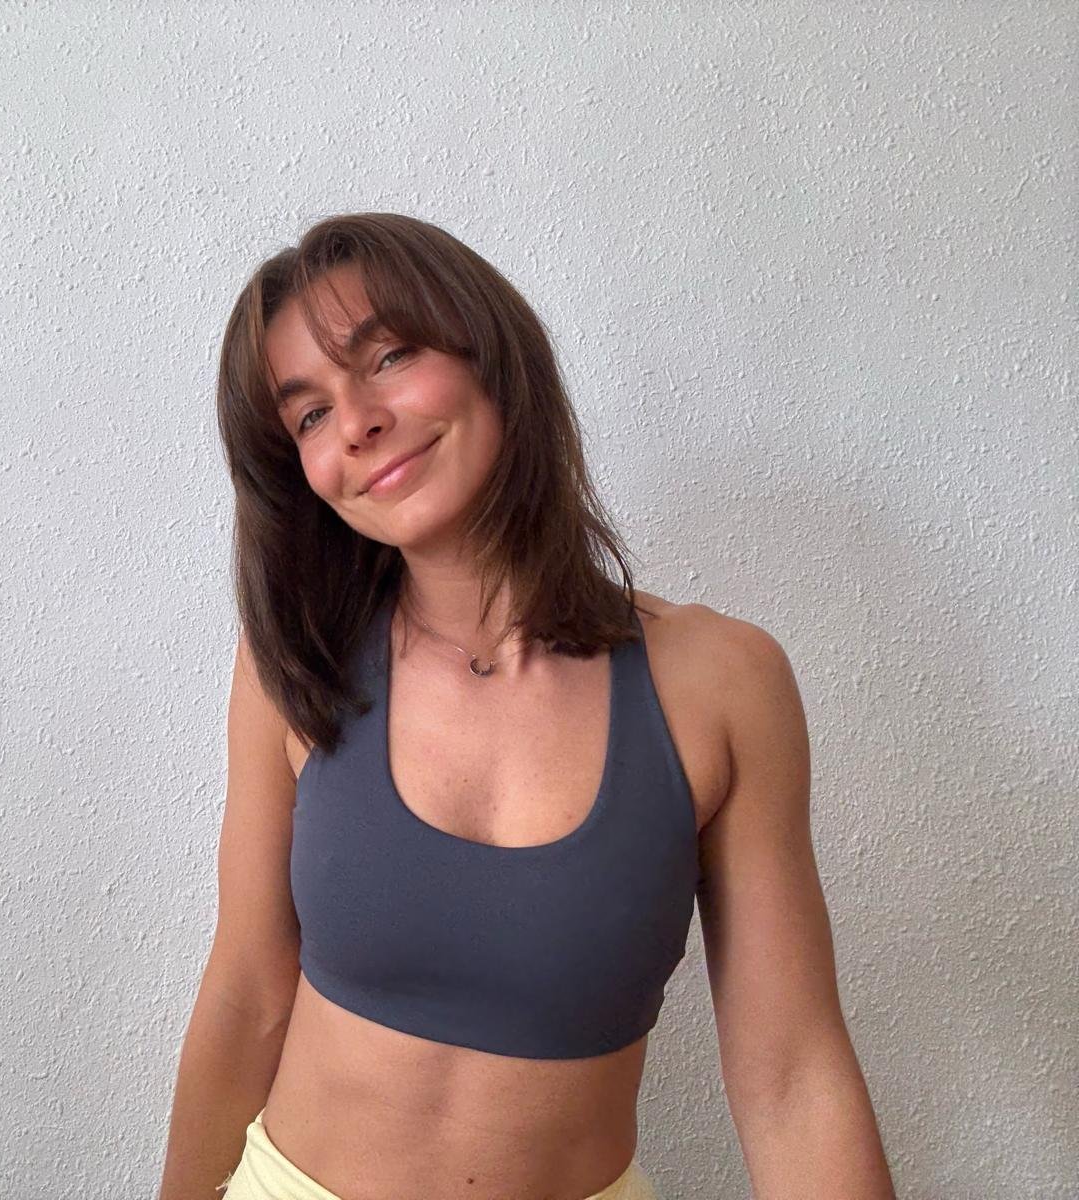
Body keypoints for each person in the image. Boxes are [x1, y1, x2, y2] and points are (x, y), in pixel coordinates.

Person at [156, 213, 894, 1200]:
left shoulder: (722, 684)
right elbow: (248, 994)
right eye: (310, 415)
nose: (357, 421)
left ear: (489, 350)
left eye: (389, 356)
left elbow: (792, 1078)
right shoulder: (297, 664)